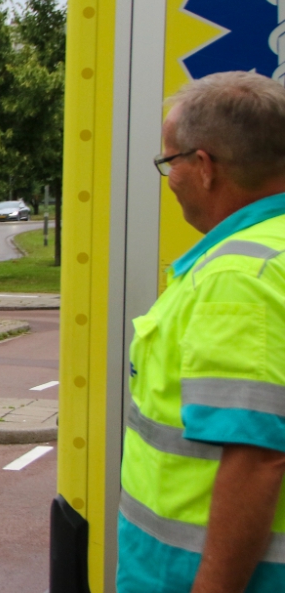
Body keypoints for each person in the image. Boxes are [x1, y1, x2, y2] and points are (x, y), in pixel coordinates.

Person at [117, 71, 285, 592]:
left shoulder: (239, 277)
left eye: (169, 163)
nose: (169, 180)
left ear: (204, 167)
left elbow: (256, 461)